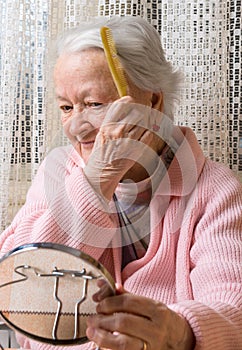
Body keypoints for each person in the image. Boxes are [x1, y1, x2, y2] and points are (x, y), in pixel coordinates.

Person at [0, 15, 241, 350]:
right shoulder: (56, 174)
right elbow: (16, 287)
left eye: (95, 104)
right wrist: (96, 179)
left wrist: (178, 332)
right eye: (67, 107)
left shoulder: (214, 189)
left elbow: (232, 310)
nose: (76, 128)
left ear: (153, 101)